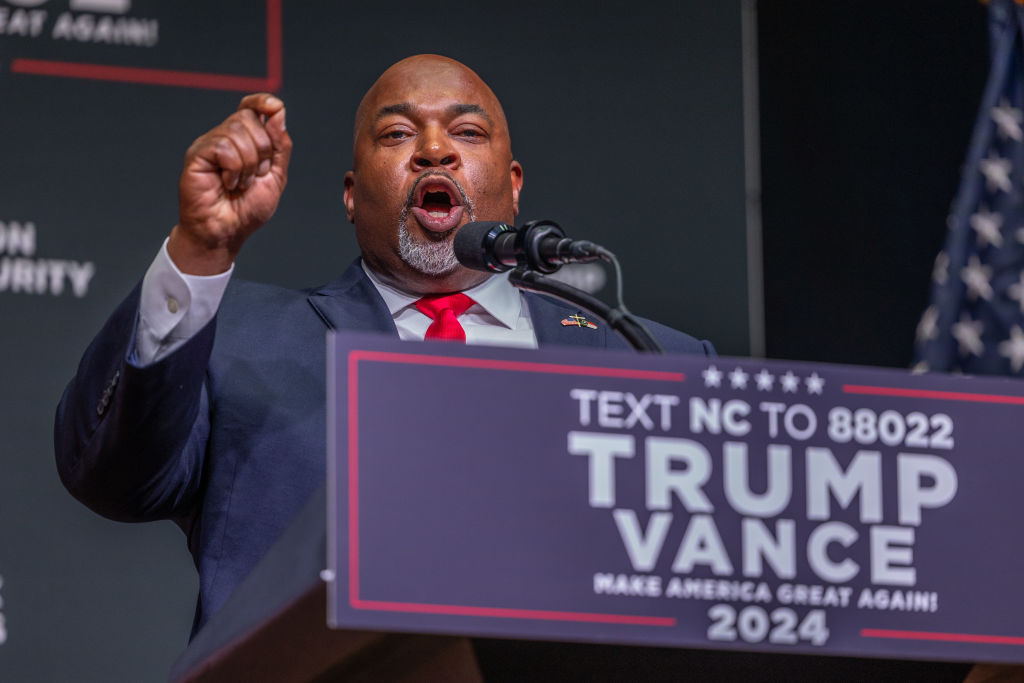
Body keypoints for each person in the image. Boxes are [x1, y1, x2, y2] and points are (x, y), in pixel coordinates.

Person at [54, 54, 714, 636]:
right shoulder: (239, 338)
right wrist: (201, 251)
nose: (434, 149)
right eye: (398, 133)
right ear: (350, 194)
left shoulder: (656, 364)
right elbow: (113, 476)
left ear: (512, 187)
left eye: (467, 131)